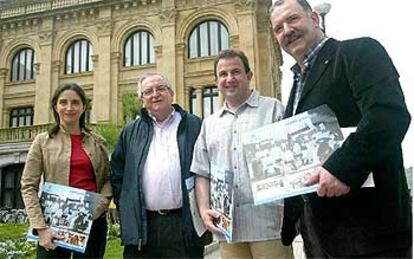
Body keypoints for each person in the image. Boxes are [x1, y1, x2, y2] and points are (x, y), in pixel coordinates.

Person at [270, 0, 412, 257]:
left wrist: (342, 168)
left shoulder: (359, 51)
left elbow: (388, 114)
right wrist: (291, 217)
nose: (286, 30)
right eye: (278, 28)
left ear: (314, 19)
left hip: (370, 235)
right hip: (321, 240)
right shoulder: (295, 87)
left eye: (293, 20)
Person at [191, 49, 294, 259]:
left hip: (270, 224)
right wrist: (203, 210)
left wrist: (293, 212)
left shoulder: (274, 110)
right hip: (227, 228)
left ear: (249, 75)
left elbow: (292, 164)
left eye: (235, 72)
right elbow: (202, 172)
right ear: (216, 80)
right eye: (223, 74)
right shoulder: (209, 124)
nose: (229, 79)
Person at [110, 72, 211, 258]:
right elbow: (117, 173)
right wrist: (126, 206)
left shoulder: (195, 125)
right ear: (142, 99)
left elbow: (208, 169)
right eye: (148, 91)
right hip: (143, 225)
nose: (155, 94)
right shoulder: (130, 132)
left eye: (161, 89)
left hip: (183, 223)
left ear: (171, 93)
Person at [21, 82, 112, 258]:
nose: (69, 108)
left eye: (75, 102)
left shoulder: (98, 142)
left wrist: (100, 206)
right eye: (63, 102)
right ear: (55, 106)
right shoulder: (42, 141)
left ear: (84, 106)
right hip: (52, 225)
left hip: (92, 224)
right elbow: (28, 186)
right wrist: (41, 228)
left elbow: (108, 179)